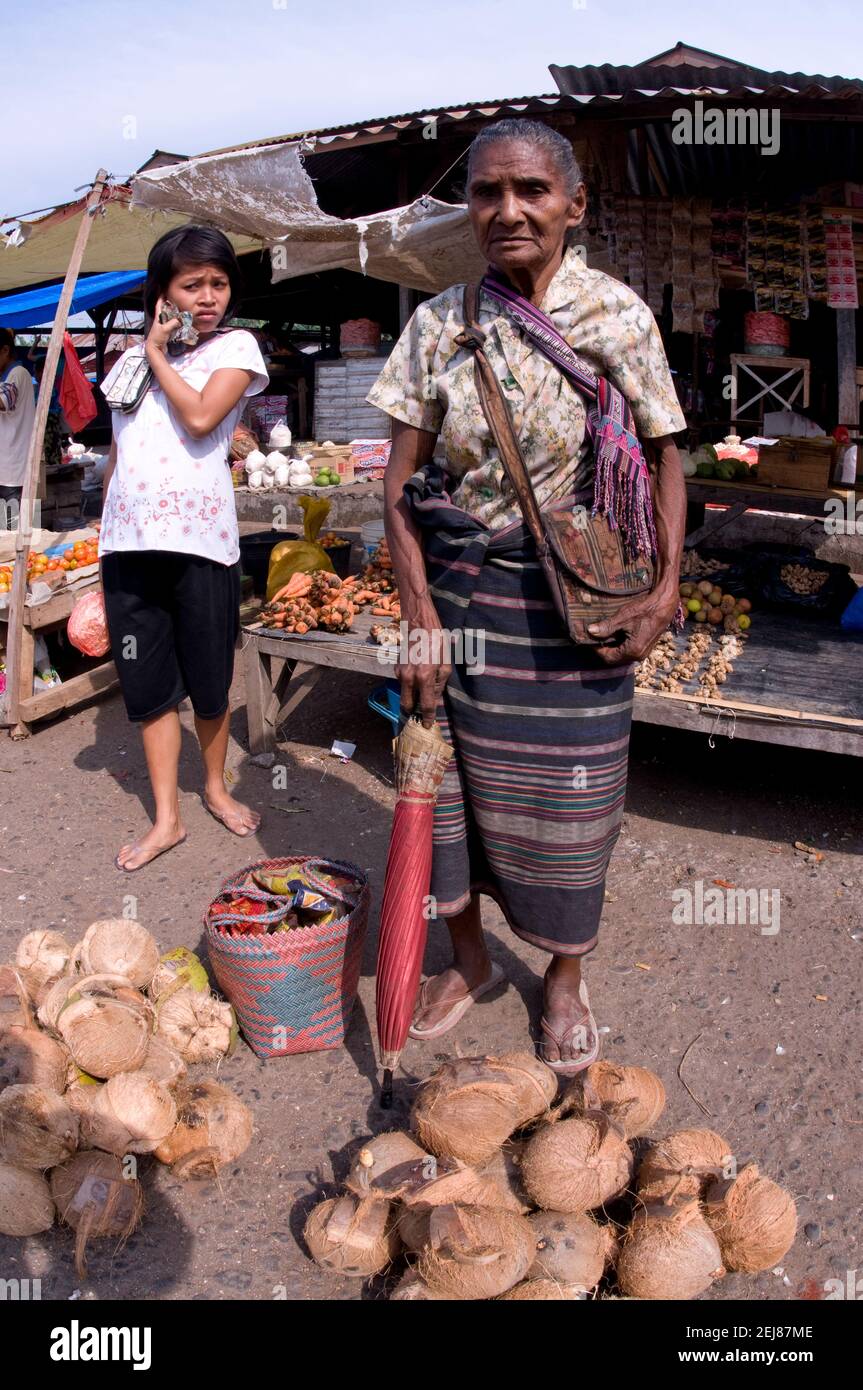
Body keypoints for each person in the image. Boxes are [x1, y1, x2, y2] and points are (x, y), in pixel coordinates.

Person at [368, 119, 687, 1075]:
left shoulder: (616, 317)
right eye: (486, 193)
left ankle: (561, 976)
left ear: (571, 206)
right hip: (462, 599)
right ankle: (469, 965)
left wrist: (665, 588)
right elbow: (396, 484)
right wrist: (419, 617)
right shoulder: (439, 322)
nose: (507, 210)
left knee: (571, 805)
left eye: (530, 191)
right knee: (449, 790)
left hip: (578, 606)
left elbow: (670, 454)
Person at [99, 224, 269, 871]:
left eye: (218, 283)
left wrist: (160, 355)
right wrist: (103, 531)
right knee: (147, 685)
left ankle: (217, 787)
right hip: (128, 545)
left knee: (208, 679)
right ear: (162, 292)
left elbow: (200, 418)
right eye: (191, 284)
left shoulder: (236, 348)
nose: (207, 296)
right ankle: (167, 819)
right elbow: (119, 450)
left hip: (200, 544)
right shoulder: (127, 362)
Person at [0, 328, 36, 508]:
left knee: (14, 529)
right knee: (6, 531)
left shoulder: (19, 373)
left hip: (15, 472)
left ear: (5, 350)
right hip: (6, 470)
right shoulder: (6, 377)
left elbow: (2, 401)